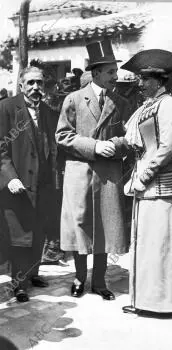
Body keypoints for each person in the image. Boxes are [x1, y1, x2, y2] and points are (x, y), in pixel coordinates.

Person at [112, 49, 172, 314]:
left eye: (144, 78)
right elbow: (139, 143)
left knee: (163, 242)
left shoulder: (169, 105)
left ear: (158, 81)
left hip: (162, 184)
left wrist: (144, 177)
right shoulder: (148, 105)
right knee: (147, 242)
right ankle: (146, 300)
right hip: (145, 183)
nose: (139, 83)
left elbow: (167, 148)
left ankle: (167, 303)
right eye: (139, 78)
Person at [56, 38, 131, 300]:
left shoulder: (121, 102)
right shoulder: (74, 99)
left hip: (108, 176)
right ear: (96, 73)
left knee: (104, 226)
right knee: (81, 226)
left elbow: (130, 138)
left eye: (116, 71)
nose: (115, 76)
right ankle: (79, 278)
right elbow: (63, 136)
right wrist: (95, 147)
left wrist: (116, 144)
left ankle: (99, 281)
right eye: (111, 72)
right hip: (79, 172)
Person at [0, 66, 58, 302]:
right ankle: (19, 283)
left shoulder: (48, 110)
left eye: (40, 83)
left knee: (39, 230)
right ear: (21, 85)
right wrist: (10, 176)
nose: (36, 88)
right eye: (31, 83)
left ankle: (34, 273)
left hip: (43, 183)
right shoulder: (6, 108)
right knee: (20, 234)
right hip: (17, 183)